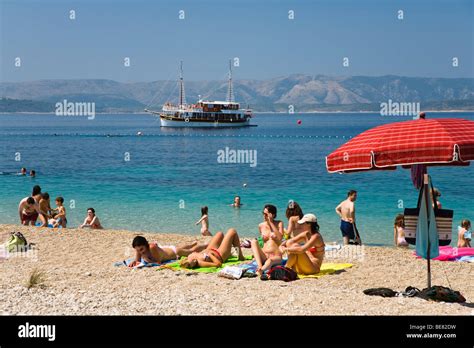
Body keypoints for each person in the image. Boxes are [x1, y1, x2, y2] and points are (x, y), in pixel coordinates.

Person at [180, 228, 245, 269]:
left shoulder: (189, 257)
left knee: (220, 234)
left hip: (211, 248)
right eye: (193, 264)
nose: (194, 262)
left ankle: (229, 253)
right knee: (232, 231)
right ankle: (240, 256)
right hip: (219, 254)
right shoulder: (200, 263)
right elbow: (218, 264)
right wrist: (210, 255)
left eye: (192, 262)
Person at [128, 236, 207, 267]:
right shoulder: (139, 248)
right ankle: (190, 244)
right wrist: (134, 261)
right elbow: (137, 260)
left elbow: (158, 262)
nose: (140, 252)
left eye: (141, 249)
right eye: (138, 250)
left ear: (146, 244)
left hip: (174, 252)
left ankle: (206, 245)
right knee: (183, 248)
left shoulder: (152, 248)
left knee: (191, 251)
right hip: (165, 249)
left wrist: (147, 260)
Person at [251, 204, 283, 275]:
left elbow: (280, 238)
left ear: (273, 215)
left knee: (270, 260)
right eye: (263, 213)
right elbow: (261, 243)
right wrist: (260, 239)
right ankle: (259, 266)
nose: (264, 216)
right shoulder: (261, 225)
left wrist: (271, 222)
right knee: (253, 241)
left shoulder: (279, 223)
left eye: (266, 214)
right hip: (264, 256)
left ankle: (261, 270)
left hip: (275, 256)